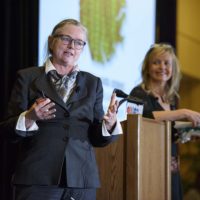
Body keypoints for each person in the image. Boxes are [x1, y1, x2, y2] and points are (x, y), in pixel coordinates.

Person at [0, 19, 122, 200]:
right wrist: (30, 117)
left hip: (81, 180)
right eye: (66, 39)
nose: (72, 46)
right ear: (51, 41)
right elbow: (7, 130)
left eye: (79, 42)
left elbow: (97, 137)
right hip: (38, 179)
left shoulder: (93, 83)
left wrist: (109, 124)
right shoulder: (27, 77)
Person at [129, 43, 200, 200]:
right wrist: (184, 112)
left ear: (173, 68)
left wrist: (187, 132)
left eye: (167, 63)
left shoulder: (170, 99)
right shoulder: (138, 92)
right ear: (147, 68)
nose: (162, 67)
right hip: (150, 167)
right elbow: (144, 118)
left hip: (171, 169)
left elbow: (166, 131)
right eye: (156, 62)